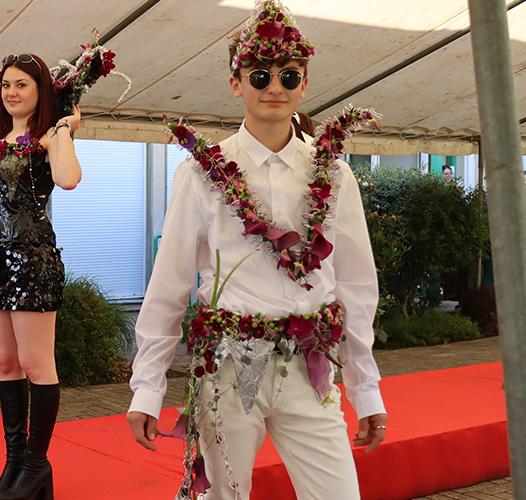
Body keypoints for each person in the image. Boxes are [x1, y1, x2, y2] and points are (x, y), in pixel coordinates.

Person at [126, 2, 386, 498]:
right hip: (228, 366)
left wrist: (365, 388)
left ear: (304, 84)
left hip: (312, 367)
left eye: (289, 76)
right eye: (260, 74)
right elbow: (170, 285)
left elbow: (356, 284)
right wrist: (147, 385)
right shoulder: (202, 171)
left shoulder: (333, 171)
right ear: (236, 81)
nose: (275, 87)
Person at [0, 51, 82, 500]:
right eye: (7, 85)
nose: (12, 93)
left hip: (32, 256)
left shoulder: (49, 134)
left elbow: (69, 180)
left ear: (42, 92)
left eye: (22, 85)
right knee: (5, 363)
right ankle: (14, 464)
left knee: (36, 365)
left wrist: (63, 132)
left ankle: (36, 466)